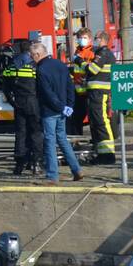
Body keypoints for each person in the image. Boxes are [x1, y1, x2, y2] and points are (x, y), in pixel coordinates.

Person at [31, 42, 83, 185]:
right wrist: (69, 106)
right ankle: (77, 170)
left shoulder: (41, 69)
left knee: (49, 142)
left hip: (50, 111)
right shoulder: (60, 65)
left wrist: (60, 107)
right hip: (63, 110)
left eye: (32, 56)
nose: (32, 59)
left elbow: (47, 94)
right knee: (62, 139)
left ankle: (52, 176)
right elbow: (70, 86)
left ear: (37, 54)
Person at [1, 40, 43, 175]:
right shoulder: (34, 66)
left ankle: (19, 165)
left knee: (21, 134)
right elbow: (42, 86)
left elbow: (5, 86)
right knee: (36, 133)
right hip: (33, 102)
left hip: (18, 103)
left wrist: (12, 101)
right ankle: (35, 163)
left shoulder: (12, 66)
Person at [85, 30, 116, 164]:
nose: (94, 41)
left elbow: (93, 70)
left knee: (102, 122)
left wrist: (81, 62)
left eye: (96, 38)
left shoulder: (103, 53)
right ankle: (102, 153)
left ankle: (108, 154)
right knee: (97, 123)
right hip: (95, 93)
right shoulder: (102, 53)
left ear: (102, 39)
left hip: (100, 93)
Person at [68, 28, 94, 136]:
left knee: (93, 119)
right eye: (80, 38)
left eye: (85, 38)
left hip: (89, 90)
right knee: (76, 118)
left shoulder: (92, 52)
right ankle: (77, 141)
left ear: (90, 39)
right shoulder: (77, 51)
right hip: (78, 91)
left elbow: (92, 69)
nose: (82, 40)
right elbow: (75, 70)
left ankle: (95, 142)